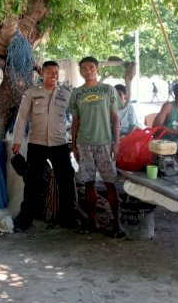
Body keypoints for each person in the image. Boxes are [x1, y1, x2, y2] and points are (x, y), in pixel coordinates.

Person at [12, 61, 76, 230]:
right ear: (42, 74)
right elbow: (22, 117)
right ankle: (25, 218)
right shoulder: (32, 93)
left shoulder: (66, 93)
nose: (53, 75)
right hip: (37, 143)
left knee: (66, 180)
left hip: (59, 143)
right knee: (32, 182)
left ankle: (68, 217)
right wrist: (17, 140)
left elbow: (76, 115)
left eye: (56, 72)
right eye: (49, 72)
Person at [69, 56, 124, 238]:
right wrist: (74, 145)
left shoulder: (108, 90)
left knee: (110, 183)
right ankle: (94, 222)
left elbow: (115, 118)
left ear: (97, 69)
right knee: (88, 182)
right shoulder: (76, 93)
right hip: (84, 144)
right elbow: (75, 121)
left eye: (91, 67)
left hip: (105, 143)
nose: (87, 70)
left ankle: (117, 223)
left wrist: (116, 142)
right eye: (83, 68)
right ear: (80, 71)